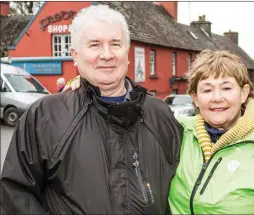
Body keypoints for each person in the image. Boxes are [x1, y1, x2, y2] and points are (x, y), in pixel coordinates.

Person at [62, 50, 254, 214]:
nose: (217, 98)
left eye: (227, 88)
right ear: (194, 97)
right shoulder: (177, 133)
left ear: (245, 93)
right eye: (206, 89)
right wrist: (88, 91)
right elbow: (121, 123)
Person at [0, 5, 183, 214]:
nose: (107, 55)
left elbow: (183, 191)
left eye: (115, 44)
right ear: (75, 55)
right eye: (95, 45)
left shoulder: (161, 115)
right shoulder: (45, 116)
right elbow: (16, 195)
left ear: (128, 52)